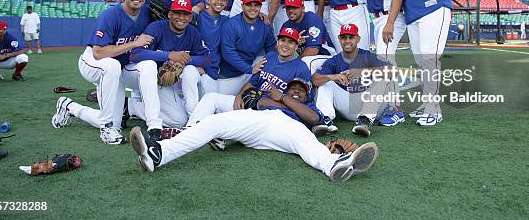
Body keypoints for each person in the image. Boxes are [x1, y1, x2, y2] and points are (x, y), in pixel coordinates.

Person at [129, 78, 379, 183]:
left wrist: (285, 100)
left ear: (306, 95)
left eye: (299, 91)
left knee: (307, 145)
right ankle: (158, 154)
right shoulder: (274, 101)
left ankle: (334, 164)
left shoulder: (308, 106)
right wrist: (279, 99)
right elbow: (261, 103)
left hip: (286, 128)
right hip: (257, 122)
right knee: (213, 122)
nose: (294, 91)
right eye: (291, 88)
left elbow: (312, 117)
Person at [51, 0, 153, 145]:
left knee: (117, 123)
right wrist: (135, 43)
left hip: (115, 68)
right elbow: (98, 53)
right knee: (112, 66)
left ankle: (69, 107)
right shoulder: (110, 15)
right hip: (92, 61)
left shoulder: (146, 15)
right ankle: (106, 128)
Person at [381, 0, 452, 127]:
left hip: (434, 7)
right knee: (422, 62)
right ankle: (426, 103)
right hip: (414, 13)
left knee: (430, 59)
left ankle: (434, 109)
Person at [128, 0, 211, 139]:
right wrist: (169, 56)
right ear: (170, 15)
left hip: (177, 80)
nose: (181, 18)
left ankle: (194, 120)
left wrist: (186, 60)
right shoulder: (156, 28)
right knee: (177, 121)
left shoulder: (193, 32)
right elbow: (135, 54)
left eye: (185, 14)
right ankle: (132, 106)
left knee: (191, 71)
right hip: (157, 81)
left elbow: (207, 59)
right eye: (177, 13)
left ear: (190, 17)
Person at [312, 23, 404, 137]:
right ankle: (325, 119)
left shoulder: (366, 55)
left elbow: (393, 71)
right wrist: (332, 77)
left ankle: (365, 120)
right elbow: (315, 80)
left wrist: (361, 71)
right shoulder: (334, 60)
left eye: (351, 37)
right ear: (339, 39)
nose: (347, 41)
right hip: (347, 104)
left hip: (371, 105)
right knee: (325, 83)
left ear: (358, 39)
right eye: (344, 37)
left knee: (382, 80)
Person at [218, 0, 276, 95]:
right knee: (225, 105)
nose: (253, 8)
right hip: (230, 75)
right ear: (242, 5)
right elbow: (228, 53)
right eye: (249, 4)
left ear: (261, 6)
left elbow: (271, 48)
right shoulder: (231, 24)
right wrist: (249, 69)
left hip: (252, 70)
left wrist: (267, 68)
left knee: (266, 60)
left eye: (256, 5)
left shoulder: (265, 24)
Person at [280, 0, 335, 74]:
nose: (290, 11)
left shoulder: (312, 19)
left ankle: (306, 85)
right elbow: (279, 49)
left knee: (305, 62)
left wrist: (292, 64)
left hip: (325, 54)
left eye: (294, 7)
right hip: (302, 55)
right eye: (288, 8)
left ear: (303, 9)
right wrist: (295, 44)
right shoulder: (286, 26)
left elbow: (313, 50)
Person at [196, 0, 230, 95]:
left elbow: (246, 18)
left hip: (212, 71)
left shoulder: (227, 21)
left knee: (210, 104)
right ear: (209, 0)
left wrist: (260, 14)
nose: (219, 2)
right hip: (194, 67)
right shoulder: (197, 16)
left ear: (226, 2)